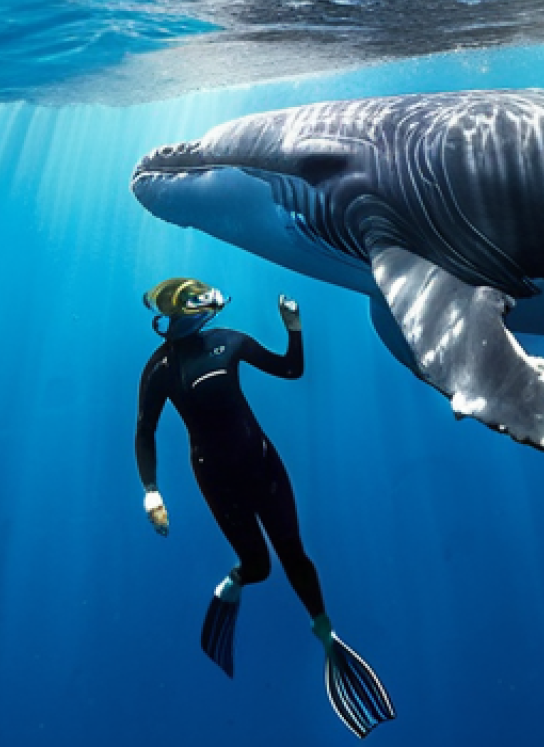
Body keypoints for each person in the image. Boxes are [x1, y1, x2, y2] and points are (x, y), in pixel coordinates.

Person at [135, 277, 395, 739]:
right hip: (217, 479)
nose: (211, 306)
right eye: (201, 301)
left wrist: (294, 328)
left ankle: (325, 632)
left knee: (293, 552)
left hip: (262, 462)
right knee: (259, 567)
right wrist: (151, 491)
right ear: (181, 310)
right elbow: (145, 430)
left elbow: (291, 370)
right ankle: (234, 581)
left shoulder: (228, 341)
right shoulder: (159, 369)